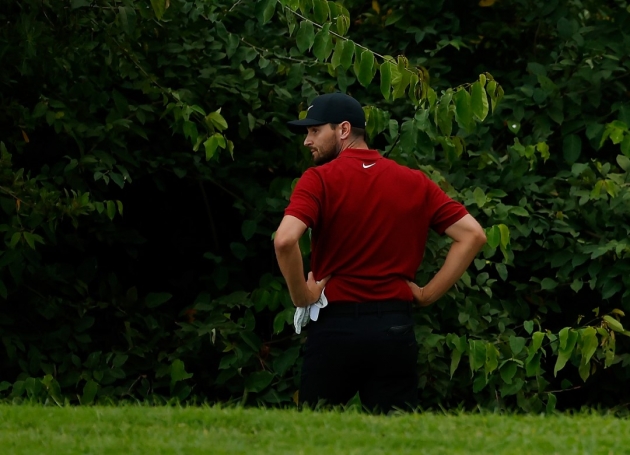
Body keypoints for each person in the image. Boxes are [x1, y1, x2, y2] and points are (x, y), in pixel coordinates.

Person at [274, 92, 487, 413]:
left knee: (315, 435)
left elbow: (284, 240)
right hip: (394, 326)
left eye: (315, 130)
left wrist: (302, 296)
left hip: (336, 328)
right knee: (396, 437)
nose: (307, 140)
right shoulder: (414, 181)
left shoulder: (318, 179)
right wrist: (427, 294)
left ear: (343, 130)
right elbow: (473, 235)